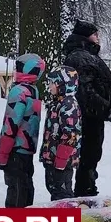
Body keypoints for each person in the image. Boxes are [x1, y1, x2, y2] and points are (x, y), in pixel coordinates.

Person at [61, 20, 111, 196]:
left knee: (90, 156)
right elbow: (86, 91)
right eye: (95, 34)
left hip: (91, 116)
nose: (97, 38)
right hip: (89, 117)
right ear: (86, 37)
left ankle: (86, 188)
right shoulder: (81, 57)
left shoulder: (84, 55)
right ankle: (85, 192)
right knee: (88, 156)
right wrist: (105, 106)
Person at [0, 54, 45, 207]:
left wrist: (3, 154)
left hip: (15, 148)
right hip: (27, 148)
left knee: (16, 189)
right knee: (25, 186)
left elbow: (10, 125)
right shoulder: (34, 90)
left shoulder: (18, 91)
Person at [39, 66, 82, 201]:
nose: (49, 86)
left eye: (52, 83)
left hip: (63, 160)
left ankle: (65, 219)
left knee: (62, 194)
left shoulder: (68, 104)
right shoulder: (58, 103)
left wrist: (61, 159)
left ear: (62, 85)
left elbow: (71, 134)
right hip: (53, 158)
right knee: (54, 189)